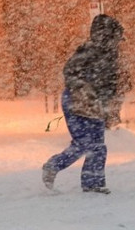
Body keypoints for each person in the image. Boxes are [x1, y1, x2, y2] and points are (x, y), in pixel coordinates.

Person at [42, 14, 126, 194]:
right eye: (115, 38)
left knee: (98, 146)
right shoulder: (89, 51)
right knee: (84, 143)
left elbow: (110, 83)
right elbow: (70, 72)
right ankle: (53, 166)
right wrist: (84, 88)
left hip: (95, 105)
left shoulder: (110, 55)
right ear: (106, 35)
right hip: (76, 102)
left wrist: (109, 100)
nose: (117, 43)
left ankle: (93, 183)